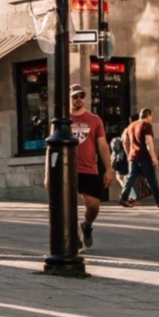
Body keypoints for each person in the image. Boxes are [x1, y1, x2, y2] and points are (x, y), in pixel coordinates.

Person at [64, 86, 113, 250]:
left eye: (81, 96)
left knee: (93, 206)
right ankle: (72, 237)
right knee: (67, 207)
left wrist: (108, 168)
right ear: (68, 99)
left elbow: (103, 145)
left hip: (89, 169)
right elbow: (51, 147)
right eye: (75, 96)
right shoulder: (62, 120)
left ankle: (86, 225)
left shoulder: (94, 119)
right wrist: (48, 174)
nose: (79, 99)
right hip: (67, 169)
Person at [118, 108, 159, 208]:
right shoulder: (146, 125)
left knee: (130, 179)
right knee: (152, 179)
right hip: (144, 156)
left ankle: (123, 198)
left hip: (133, 156)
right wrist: (153, 157)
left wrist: (128, 155)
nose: (151, 119)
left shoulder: (131, 126)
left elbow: (125, 141)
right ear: (148, 115)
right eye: (151, 116)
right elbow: (148, 141)